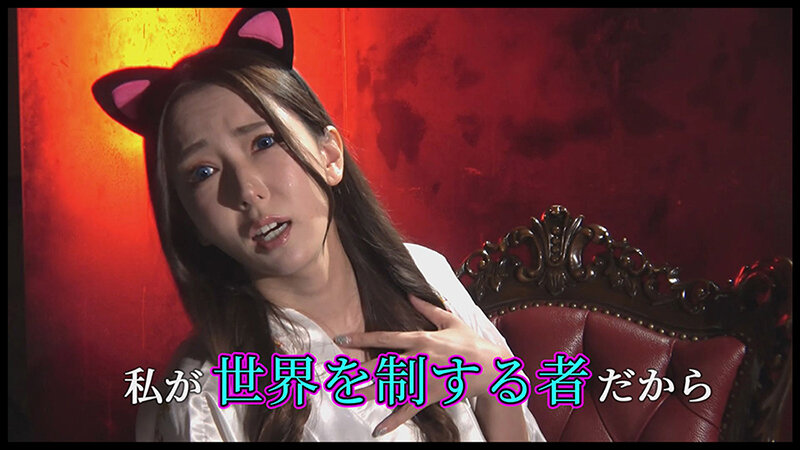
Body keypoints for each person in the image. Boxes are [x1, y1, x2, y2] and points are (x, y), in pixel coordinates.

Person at [93, 8, 545, 442]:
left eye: (264, 142)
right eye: (203, 172)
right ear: (193, 224)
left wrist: (493, 382)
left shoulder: (426, 275)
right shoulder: (202, 396)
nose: (246, 190)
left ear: (329, 155)